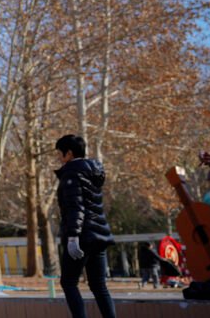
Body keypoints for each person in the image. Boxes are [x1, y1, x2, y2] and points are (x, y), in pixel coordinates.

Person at [55, 134, 117, 318]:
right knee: (99, 285)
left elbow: (76, 207)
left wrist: (73, 236)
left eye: (60, 153)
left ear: (69, 153)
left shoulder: (71, 173)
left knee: (68, 282)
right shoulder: (94, 172)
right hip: (99, 235)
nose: (59, 157)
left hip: (81, 235)